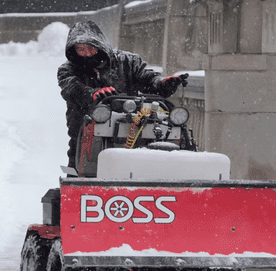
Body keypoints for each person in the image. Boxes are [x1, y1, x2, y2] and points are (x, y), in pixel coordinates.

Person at [57, 21, 189, 168]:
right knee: (79, 162)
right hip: (85, 128)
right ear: (73, 50)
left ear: (100, 45)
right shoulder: (67, 69)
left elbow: (149, 79)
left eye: (90, 48)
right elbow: (72, 88)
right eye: (80, 49)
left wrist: (163, 83)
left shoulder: (129, 61)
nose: (86, 53)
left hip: (132, 124)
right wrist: (93, 94)